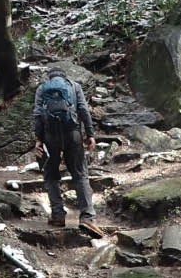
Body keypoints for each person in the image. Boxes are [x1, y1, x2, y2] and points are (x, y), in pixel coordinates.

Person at [32, 68, 103, 238]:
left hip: (50, 137)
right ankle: (87, 217)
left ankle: (57, 215)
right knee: (80, 175)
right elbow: (83, 110)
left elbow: (38, 115)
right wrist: (90, 134)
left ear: (50, 77)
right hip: (73, 135)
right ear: (65, 76)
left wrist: (38, 139)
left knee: (50, 175)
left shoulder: (42, 89)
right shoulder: (74, 86)